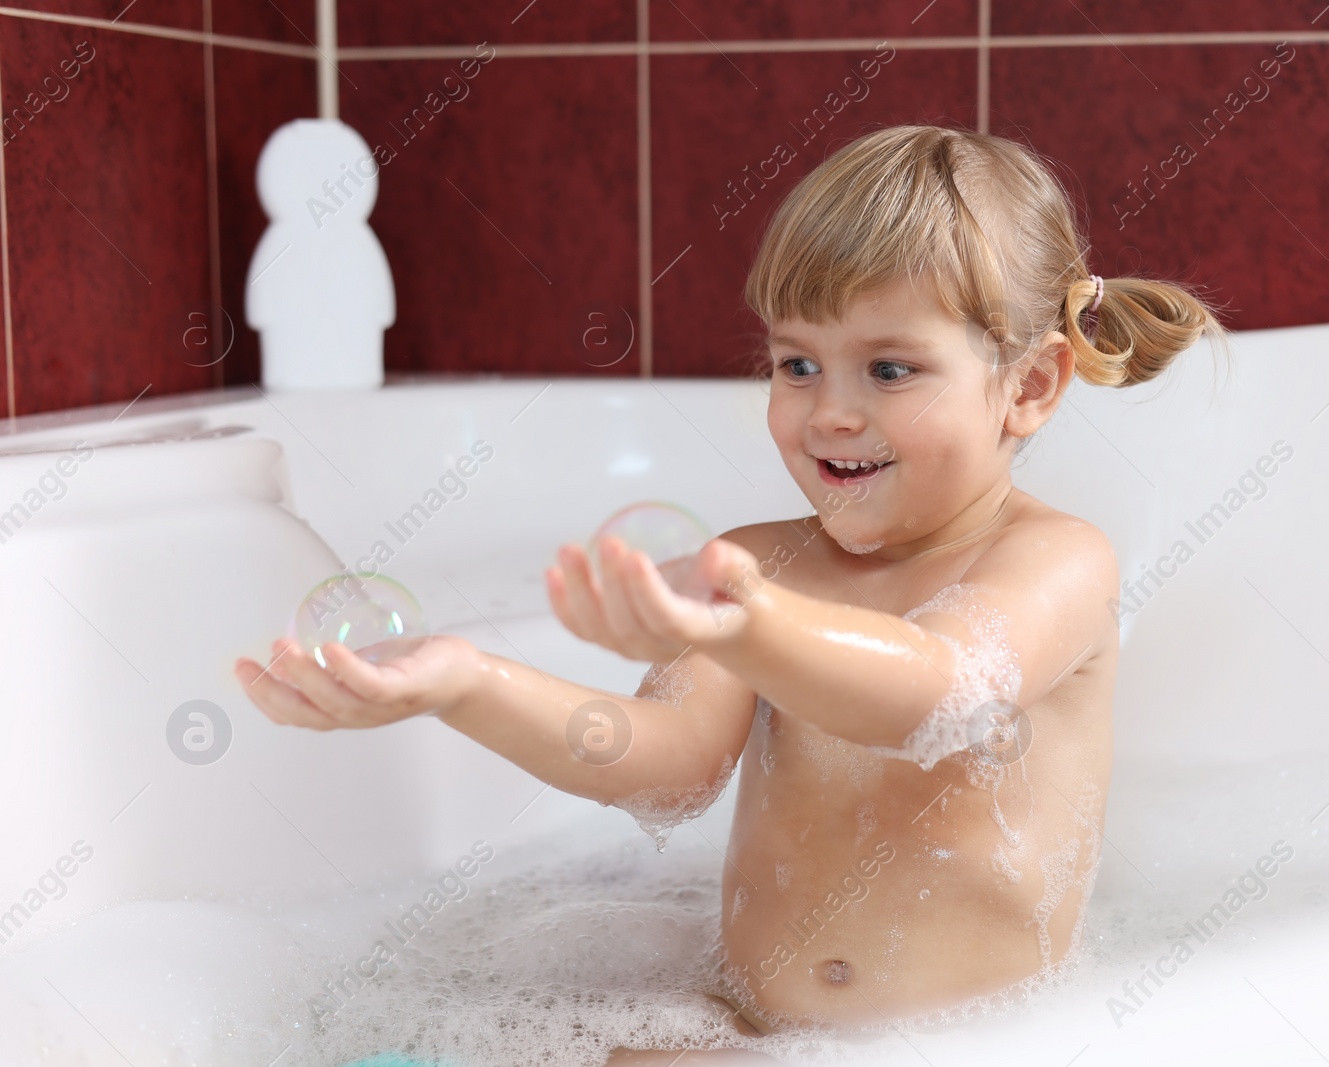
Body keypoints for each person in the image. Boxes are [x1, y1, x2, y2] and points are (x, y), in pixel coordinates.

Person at [233, 123, 1224, 1065]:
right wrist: (466, 682)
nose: (830, 410)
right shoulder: (762, 564)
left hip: (971, 1048)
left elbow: (937, 690)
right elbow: (664, 768)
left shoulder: (1054, 559)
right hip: (757, 1034)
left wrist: (750, 621)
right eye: (797, 362)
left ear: (1031, 386)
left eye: (889, 367)